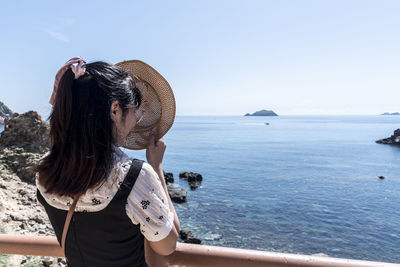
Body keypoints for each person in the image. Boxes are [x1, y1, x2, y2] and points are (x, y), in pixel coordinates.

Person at [35, 57, 180, 267]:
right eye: (134, 114)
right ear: (115, 110)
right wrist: (156, 168)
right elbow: (168, 245)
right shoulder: (132, 178)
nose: (134, 123)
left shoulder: (45, 173)